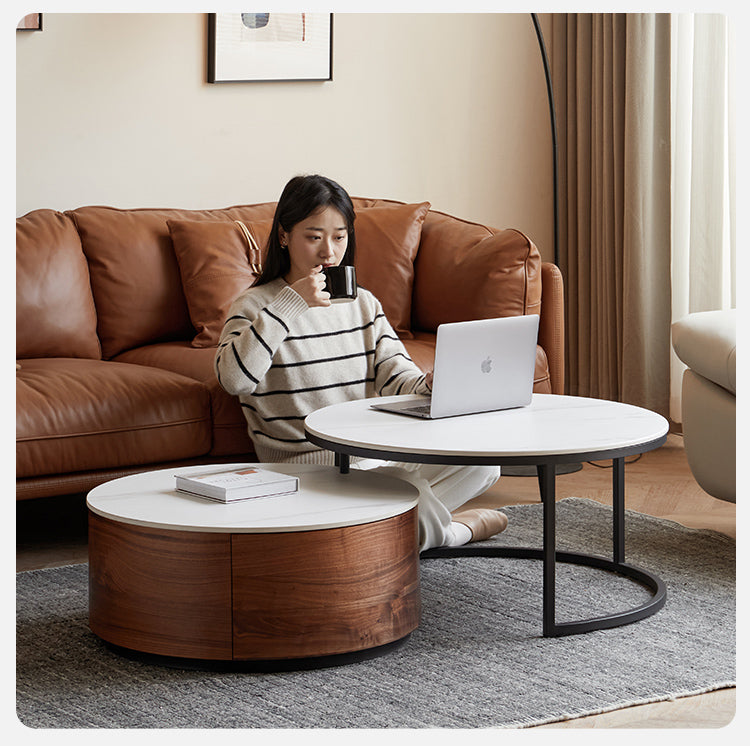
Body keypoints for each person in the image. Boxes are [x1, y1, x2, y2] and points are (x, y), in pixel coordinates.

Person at [215, 174, 508, 551]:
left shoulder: (363, 304)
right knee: (408, 491)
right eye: (313, 236)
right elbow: (234, 380)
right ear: (284, 236)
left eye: (339, 237)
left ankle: (380, 529)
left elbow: (395, 377)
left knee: (483, 462)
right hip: (304, 472)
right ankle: (453, 533)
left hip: (369, 463)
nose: (328, 252)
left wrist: (429, 386)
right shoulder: (256, 306)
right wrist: (291, 304)